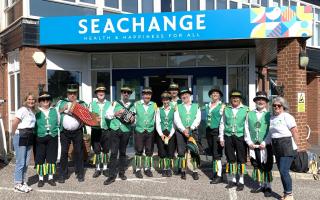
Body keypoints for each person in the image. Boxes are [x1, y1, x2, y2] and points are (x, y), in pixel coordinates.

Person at [267, 96, 299, 200]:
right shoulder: (272, 118)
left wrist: (297, 146)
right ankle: (286, 193)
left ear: (283, 106)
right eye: (274, 105)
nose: (276, 107)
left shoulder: (287, 116)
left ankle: (289, 194)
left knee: (284, 170)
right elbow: (270, 133)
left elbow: (295, 131)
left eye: (278, 105)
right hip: (276, 146)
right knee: (282, 171)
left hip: (287, 145)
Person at [56, 84, 87, 183]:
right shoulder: (61, 102)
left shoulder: (82, 103)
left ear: (77, 94)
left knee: (78, 152)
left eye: (74, 93)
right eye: (70, 93)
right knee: (64, 152)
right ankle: (63, 174)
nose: (72, 95)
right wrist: (62, 109)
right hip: (64, 132)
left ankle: (80, 173)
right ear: (67, 94)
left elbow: (87, 116)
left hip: (77, 131)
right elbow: (55, 114)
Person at [104, 86, 135, 185]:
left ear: (130, 94)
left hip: (126, 131)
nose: (126, 94)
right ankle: (111, 175)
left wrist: (132, 120)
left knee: (122, 152)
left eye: (128, 92)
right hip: (115, 130)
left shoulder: (132, 105)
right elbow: (107, 115)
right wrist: (115, 113)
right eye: (124, 92)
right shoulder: (115, 103)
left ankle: (121, 172)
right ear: (121, 93)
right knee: (113, 153)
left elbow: (135, 121)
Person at [219, 90, 249, 191]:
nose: (235, 99)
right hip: (228, 136)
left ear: (240, 99)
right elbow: (222, 123)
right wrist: (221, 137)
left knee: (241, 159)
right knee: (230, 158)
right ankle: (232, 180)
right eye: (233, 97)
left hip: (240, 136)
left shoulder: (246, 109)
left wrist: (247, 138)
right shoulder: (226, 109)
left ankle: (241, 181)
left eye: (237, 98)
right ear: (231, 99)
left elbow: (247, 126)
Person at [245, 91, 273, 197]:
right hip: (253, 144)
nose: (260, 101)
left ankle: (268, 187)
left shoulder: (269, 115)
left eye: (263, 100)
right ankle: (261, 185)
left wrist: (265, 142)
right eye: (258, 100)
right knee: (257, 165)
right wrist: (249, 142)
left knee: (267, 165)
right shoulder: (250, 114)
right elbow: (246, 128)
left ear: (266, 102)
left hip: (265, 144)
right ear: (256, 101)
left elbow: (271, 130)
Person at [174, 87, 201, 180]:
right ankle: (183, 171)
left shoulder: (196, 106)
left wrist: (190, 128)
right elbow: (176, 120)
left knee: (194, 152)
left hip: (193, 131)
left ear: (190, 95)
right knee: (181, 153)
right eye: (182, 95)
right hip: (181, 132)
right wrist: (183, 130)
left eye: (186, 94)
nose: (184, 96)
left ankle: (194, 171)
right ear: (181, 97)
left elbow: (198, 119)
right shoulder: (178, 107)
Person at [12, 93, 36, 193]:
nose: (31, 101)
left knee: (26, 162)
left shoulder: (32, 111)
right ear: (25, 100)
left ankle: (23, 182)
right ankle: (17, 184)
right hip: (21, 136)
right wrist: (14, 136)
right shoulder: (22, 110)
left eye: (33, 99)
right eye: (29, 99)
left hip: (29, 136)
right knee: (20, 162)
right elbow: (14, 123)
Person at [34, 91, 60, 187]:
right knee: (40, 158)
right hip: (40, 137)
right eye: (43, 99)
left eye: (47, 99)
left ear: (50, 100)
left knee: (51, 158)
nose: (45, 101)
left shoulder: (55, 110)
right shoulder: (36, 111)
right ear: (40, 101)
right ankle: (41, 179)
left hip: (52, 137)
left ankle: (50, 178)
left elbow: (58, 122)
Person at [133, 87, 157, 178]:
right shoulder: (136, 104)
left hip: (150, 130)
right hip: (139, 130)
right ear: (142, 95)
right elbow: (133, 117)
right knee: (138, 151)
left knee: (149, 151)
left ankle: (147, 169)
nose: (147, 96)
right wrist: (137, 125)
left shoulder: (154, 104)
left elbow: (156, 117)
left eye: (149, 94)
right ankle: (138, 169)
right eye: (145, 94)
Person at [89, 83, 111, 178]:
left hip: (106, 130)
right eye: (99, 91)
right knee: (97, 151)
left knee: (105, 150)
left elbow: (112, 116)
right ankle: (98, 169)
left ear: (105, 93)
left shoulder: (110, 104)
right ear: (96, 93)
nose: (101, 93)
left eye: (102, 91)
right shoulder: (92, 104)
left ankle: (105, 168)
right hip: (96, 131)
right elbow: (88, 117)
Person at [204, 88, 225, 184]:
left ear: (220, 96)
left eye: (217, 93)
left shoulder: (222, 106)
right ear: (210, 96)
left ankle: (219, 175)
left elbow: (224, 121)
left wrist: (222, 135)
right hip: (209, 131)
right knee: (213, 153)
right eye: (213, 93)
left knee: (217, 154)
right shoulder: (207, 105)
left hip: (217, 131)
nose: (215, 94)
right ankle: (215, 172)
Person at [155, 91, 176, 177]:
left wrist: (171, 134)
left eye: (167, 99)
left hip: (171, 132)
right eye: (164, 99)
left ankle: (169, 169)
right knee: (162, 152)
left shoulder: (174, 109)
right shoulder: (159, 110)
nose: (166, 101)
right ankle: (163, 168)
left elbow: (175, 123)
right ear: (162, 101)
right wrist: (161, 134)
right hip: (162, 133)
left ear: (170, 100)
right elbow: (157, 123)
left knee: (170, 152)